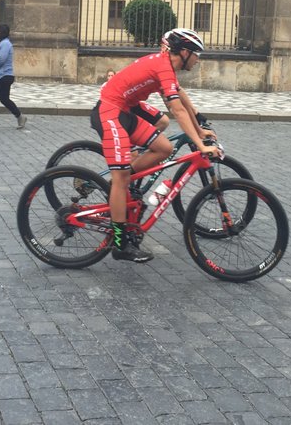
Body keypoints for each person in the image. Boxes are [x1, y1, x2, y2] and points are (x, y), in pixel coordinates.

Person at [90, 28, 218, 263]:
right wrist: (200, 145)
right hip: (110, 111)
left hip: (125, 112)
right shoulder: (163, 65)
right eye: (197, 54)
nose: (199, 60)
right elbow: (177, 109)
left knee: (164, 149)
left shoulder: (167, 66)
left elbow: (180, 99)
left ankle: (121, 187)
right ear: (185, 52)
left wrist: (199, 131)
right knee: (121, 179)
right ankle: (120, 244)